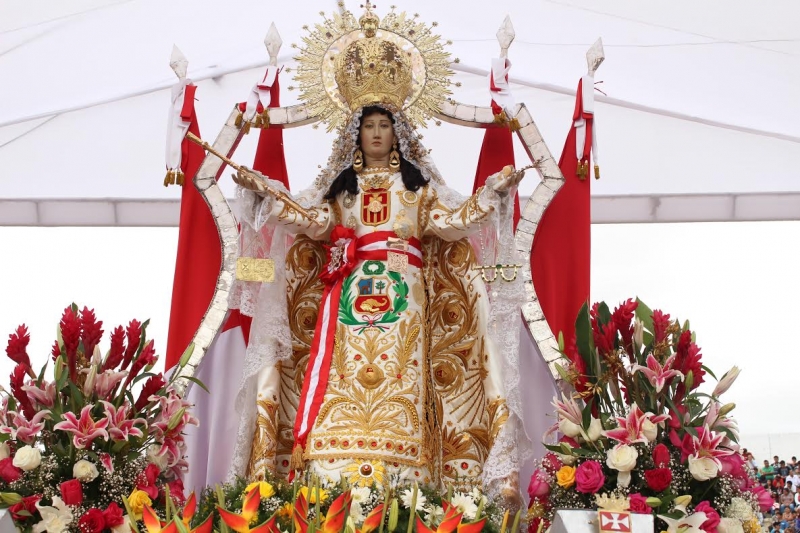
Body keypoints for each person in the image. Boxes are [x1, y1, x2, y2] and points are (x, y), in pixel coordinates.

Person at [224, 3, 529, 502]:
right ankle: (332, 476)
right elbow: (313, 223)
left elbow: (451, 228)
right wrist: (269, 193)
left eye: (385, 125)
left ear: (398, 133)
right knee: (342, 373)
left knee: (400, 374)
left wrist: (489, 195)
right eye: (368, 126)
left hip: (405, 296)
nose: (377, 134)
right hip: (348, 296)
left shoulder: (417, 190)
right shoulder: (342, 191)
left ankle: (407, 485)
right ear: (356, 134)